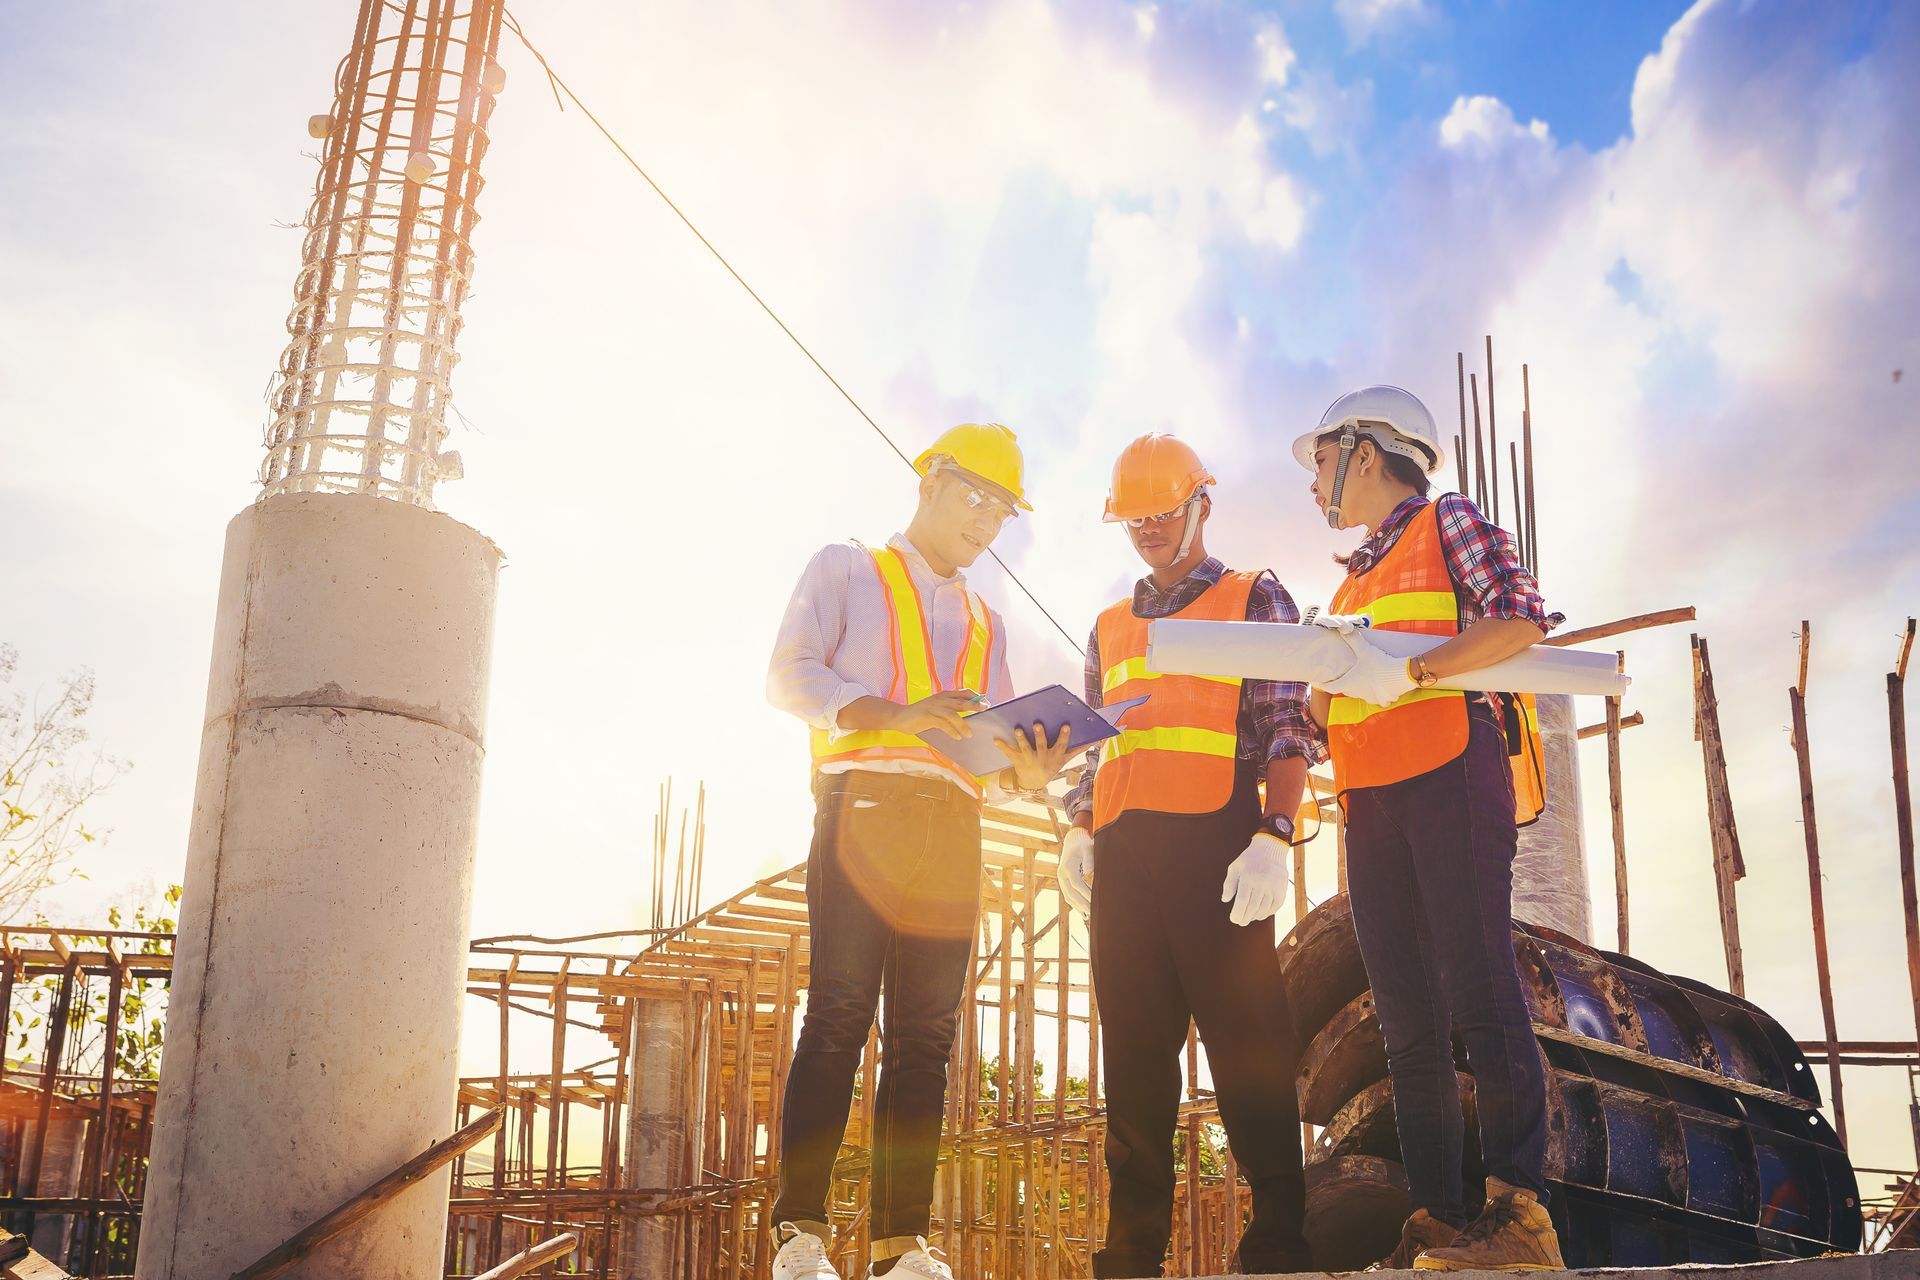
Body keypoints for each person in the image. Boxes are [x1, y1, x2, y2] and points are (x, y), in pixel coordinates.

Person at [766, 422, 1073, 1280]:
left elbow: (993, 750)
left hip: (955, 822)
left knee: (926, 1037)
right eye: (976, 496)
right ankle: (801, 1234)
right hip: (865, 805)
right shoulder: (847, 568)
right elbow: (789, 676)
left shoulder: (987, 619)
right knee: (837, 1015)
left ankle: (902, 1245)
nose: (987, 522)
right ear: (928, 481)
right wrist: (896, 715)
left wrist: (1030, 772)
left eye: (1004, 510)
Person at [1291, 386, 1564, 1272]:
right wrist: (1320, 682)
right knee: (1407, 1019)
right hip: (1374, 804)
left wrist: (1422, 670)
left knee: (1481, 986)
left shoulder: (1447, 521)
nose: (1315, 477)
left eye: (1322, 457)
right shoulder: (1347, 585)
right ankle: (1442, 1216)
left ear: (1366, 453)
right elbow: (1332, 711)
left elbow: (1519, 616)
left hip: (1451, 773)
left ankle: (1520, 1218)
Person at [1055, 433, 1317, 1278]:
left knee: (1249, 1047)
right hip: (1128, 859)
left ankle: (1278, 1239)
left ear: (1201, 503)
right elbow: (1099, 745)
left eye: (1162, 514)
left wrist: (1275, 832)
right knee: (1133, 1064)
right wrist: (1079, 826)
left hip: (1219, 850)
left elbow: (1287, 723)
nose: (1148, 531)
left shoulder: (1255, 597)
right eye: (1133, 519)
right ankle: (1132, 1253)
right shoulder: (1108, 624)